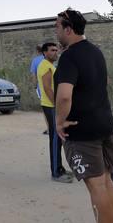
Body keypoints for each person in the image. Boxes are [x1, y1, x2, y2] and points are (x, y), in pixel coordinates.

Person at [54, 8, 113, 223]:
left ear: (68, 29)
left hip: (83, 132)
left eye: (57, 26)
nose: (55, 32)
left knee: (98, 188)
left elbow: (64, 95)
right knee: (108, 184)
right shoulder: (96, 52)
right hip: (106, 127)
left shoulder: (69, 57)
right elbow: (103, 83)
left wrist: (59, 122)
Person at [36, 42, 72, 183]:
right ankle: (56, 173)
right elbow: (47, 88)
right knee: (55, 138)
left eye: (56, 50)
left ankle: (60, 168)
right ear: (44, 52)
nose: (55, 52)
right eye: (52, 50)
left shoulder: (50, 65)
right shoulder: (45, 65)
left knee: (58, 138)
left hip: (53, 106)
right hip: (51, 106)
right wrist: (57, 106)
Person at [30, 45, 48, 134]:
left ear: (37, 51)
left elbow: (34, 75)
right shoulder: (49, 58)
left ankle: (49, 128)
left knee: (46, 108)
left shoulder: (35, 61)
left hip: (41, 87)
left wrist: (34, 85)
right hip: (53, 86)